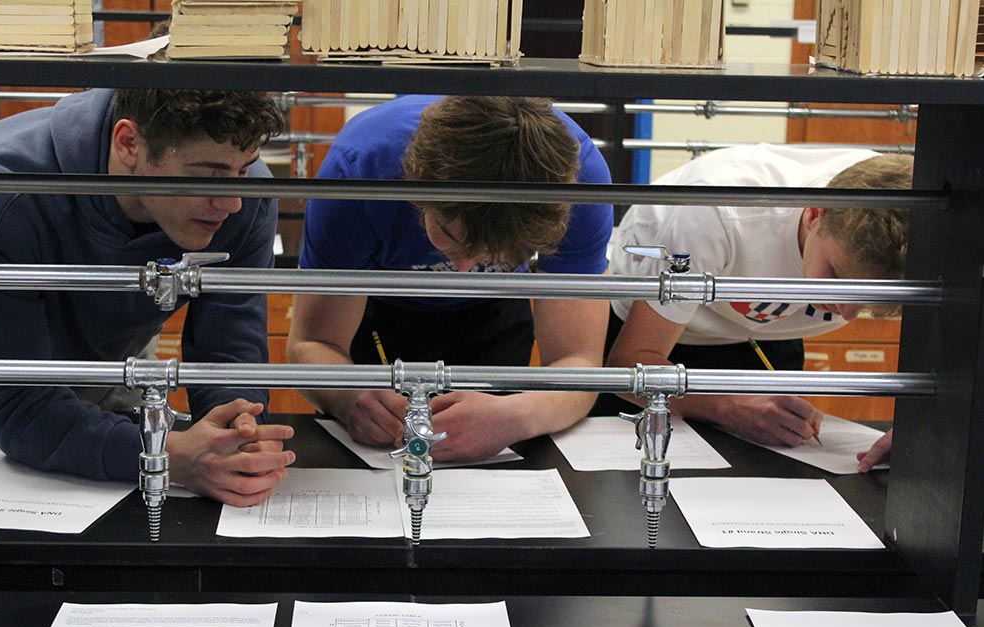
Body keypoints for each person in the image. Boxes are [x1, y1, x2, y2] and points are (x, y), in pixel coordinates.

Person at [0, 87, 297, 506]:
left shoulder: (246, 202)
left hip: (105, 374)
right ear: (129, 144)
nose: (232, 202)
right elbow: (19, 404)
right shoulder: (6, 195)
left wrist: (237, 431)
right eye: (208, 176)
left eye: (244, 170)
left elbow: (229, 345)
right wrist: (166, 456)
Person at [288, 95, 613, 463]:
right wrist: (348, 398)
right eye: (449, 234)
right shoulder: (362, 168)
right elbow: (313, 343)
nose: (464, 269)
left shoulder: (577, 181)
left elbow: (578, 360)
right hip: (378, 317)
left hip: (495, 313)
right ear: (417, 188)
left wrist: (515, 417)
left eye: (495, 252)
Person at [600, 144, 912, 467]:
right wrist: (725, 406)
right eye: (836, 277)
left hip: (765, 331)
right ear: (815, 213)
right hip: (656, 333)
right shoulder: (719, 213)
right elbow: (628, 365)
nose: (845, 312)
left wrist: (920, 429)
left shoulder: (911, 220)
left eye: (869, 303)